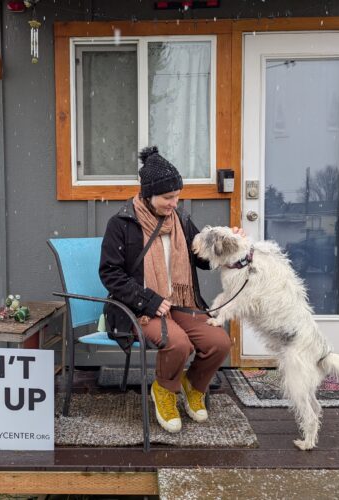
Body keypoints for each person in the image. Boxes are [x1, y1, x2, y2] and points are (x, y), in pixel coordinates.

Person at [99, 146, 233, 433]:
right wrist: (147, 300)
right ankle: (163, 390)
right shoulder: (121, 224)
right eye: (167, 197)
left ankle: (193, 385)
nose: (175, 203)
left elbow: (203, 259)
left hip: (180, 303)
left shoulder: (181, 221)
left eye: (177, 196)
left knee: (219, 343)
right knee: (178, 343)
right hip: (138, 309)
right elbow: (110, 274)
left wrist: (227, 246)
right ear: (148, 195)